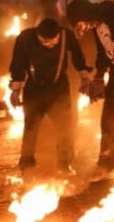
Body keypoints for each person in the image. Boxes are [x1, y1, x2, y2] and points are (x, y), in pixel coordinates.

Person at [8, 18, 94, 178]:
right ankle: (27, 163)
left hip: (59, 89)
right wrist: (15, 90)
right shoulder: (25, 38)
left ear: (58, 35)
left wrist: (84, 78)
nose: (49, 44)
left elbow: (78, 56)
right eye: (44, 41)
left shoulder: (66, 35)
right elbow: (17, 64)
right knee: (31, 128)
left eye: (53, 41)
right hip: (34, 89)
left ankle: (64, 164)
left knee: (65, 127)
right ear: (37, 35)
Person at [66, 0, 114, 182]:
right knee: (110, 117)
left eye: (81, 24)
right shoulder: (97, 24)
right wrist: (100, 76)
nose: (84, 29)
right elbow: (103, 52)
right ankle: (106, 163)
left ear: (85, 14)